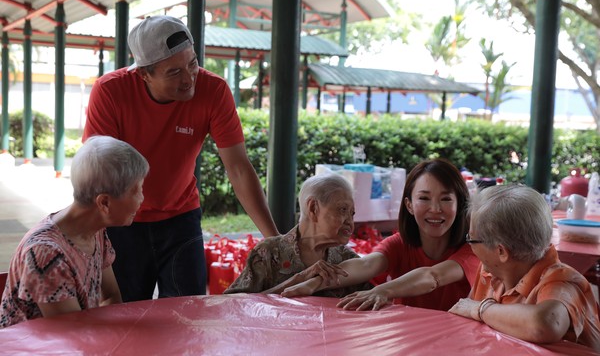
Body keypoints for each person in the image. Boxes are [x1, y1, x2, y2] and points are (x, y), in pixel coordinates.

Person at [83, 15, 279, 302]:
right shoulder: (110, 91)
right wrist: (90, 233)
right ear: (144, 74)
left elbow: (238, 168)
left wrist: (273, 239)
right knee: (123, 313)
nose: (189, 79)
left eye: (192, 64)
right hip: (121, 222)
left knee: (188, 311)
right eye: (174, 72)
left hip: (180, 217)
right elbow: (97, 172)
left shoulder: (214, 90)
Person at [281, 158, 480, 311]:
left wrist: (382, 291)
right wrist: (314, 284)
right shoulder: (399, 244)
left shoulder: (473, 249)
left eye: (446, 199)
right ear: (409, 205)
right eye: (424, 198)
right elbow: (366, 264)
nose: (435, 208)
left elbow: (432, 276)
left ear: (460, 205)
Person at [0, 136, 149, 328]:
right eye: (136, 190)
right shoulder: (46, 253)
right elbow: (71, 333)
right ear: (104, 202)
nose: (142, 198)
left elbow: (111, 297)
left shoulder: (96, 232)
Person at [449, 185, 600, 351]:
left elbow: (545, 324)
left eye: (471, 239)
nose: (469, 245)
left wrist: (479, 308)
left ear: (501, 251)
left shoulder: (562, 282)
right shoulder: (489, 271)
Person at [225, 173, 371, 296]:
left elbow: (372, 298)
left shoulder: (346, 259)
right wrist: (299, 279)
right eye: (343, 210)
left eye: (352, 214)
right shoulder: (269, 253)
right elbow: (232, 305)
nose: (350, 222)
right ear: (313, 208)